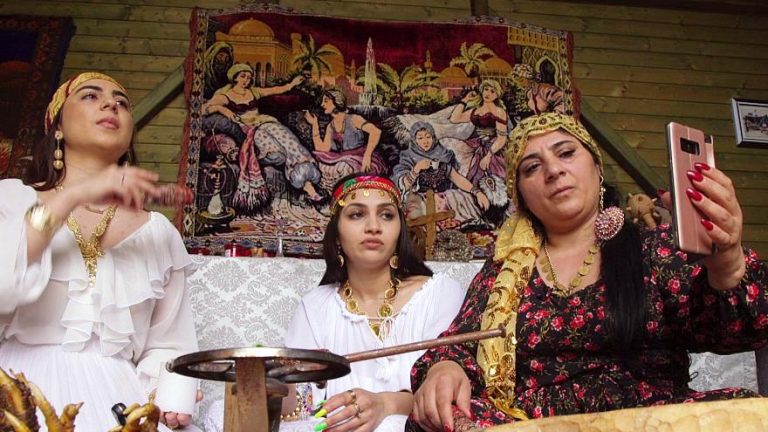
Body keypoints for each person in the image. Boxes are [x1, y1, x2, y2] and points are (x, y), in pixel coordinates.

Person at [408, 112, 768, 431]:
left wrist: (728, 264)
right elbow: (459, 345)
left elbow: (737, 333)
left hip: (650, 420)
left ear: (597, 167)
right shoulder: (503, 270)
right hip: (533, 425)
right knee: (435, 419)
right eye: (532, 167)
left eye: (566, 153)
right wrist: (445, 368)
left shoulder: (653, 247)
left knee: (743, 412)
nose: (553, 170)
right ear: (520, 196)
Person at [0, 72, 200, 431]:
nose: (111, 104)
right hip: (18, 396)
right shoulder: (11, 200)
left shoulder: (158, 233)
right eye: (90, 96)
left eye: (122, 102)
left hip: (117, 399)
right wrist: (76, 194)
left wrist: (166, 394)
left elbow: (169, 343)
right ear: (57, 128)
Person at [281, 174, 467, 432]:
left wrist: (385, 404)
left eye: (387, 215)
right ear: (336, 234)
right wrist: (269, 380)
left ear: (400, 231)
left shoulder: (439, 294)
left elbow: (446, 397)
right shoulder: (315, 307)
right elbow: (301, 411)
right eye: (357, 214)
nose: (373, 226)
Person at [203, 63, 323, 211]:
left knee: (290, 142)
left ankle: (309, 186)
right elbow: (204, 109)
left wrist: (292, 83)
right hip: (251, 129)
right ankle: (259, 159)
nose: (246, 80)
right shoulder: (226, 96)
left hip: (265, 122)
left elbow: (276, 90)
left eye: (249, 77)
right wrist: (222, 109)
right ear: (234, 78)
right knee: (277, 153)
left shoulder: (254, 91)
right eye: (243, 76)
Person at [392, 121, 492, 228]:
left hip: (443, 199)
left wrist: (477, 192)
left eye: (428, 137)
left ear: (433, 138)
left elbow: (457, 178)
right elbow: (403, 186)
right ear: (414, 140)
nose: (425, 141)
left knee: (460, 196)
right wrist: (416, 169)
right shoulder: (408, 157)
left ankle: (467, 225)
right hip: (421, 200)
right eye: (420, 138)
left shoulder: (442, 155)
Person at [305, 89, 386, 191]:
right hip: (342, 157)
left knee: (344, 167)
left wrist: (367, 155)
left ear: (337, 101)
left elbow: (376, 131)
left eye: (326, 101)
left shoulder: (354, 119)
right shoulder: (331, 126)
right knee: (323, 166)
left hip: (360, 158)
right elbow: (323, 149)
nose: (322, 104)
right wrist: (314, 125)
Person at [449, 79, 509, 187]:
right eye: (486, 89)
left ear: (497, 95)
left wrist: (489, 156)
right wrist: (465, 100)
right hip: (478, 145)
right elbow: (454, 118)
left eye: (492, 91)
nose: (488, 93)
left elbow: (502, 139)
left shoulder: (499, 111)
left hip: (494, 148)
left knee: (494, 177)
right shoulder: (475, 111)